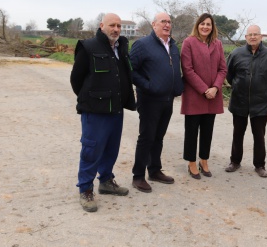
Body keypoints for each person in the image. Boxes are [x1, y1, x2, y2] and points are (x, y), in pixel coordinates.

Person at [70, 13, 136, 212]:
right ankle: (85, 189)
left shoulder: (121, 46)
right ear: (101, 26)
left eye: (118, 25)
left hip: (115, 109)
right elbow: (76, 80)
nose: (116, 29)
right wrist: (91, 98)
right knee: (91, 150)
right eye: (112, 25)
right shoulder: (88, 47)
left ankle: (106, 181)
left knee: (111, 148)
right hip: (95, 110)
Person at [129, 12, 183, 193]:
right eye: (163, 22)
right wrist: (148, 85)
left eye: (169, 22)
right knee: (146, 137)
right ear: (154, 24)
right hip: (149, 99)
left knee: (158, 137)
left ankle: (154, 170)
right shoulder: (142, 45)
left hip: (168, 100)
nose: (167, 25)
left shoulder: (173, 45)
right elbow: (131, 70)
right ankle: (138, 176)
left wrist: (177, 87)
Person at [225, 25, 267, 178]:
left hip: (260, 103)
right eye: (250, 34)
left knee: (259, 136)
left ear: (261, 36)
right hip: (239, 101)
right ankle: (235, 161)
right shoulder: (236, 54)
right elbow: (229, 74)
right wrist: (238, 86)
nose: (253, 37)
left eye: (256, 34)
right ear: (245, 37)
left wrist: (265, 91)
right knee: (237, 133)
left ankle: (259, 165)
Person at [180, 13, 227, 179]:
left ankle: (204, 160)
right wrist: (204, 89)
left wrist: (215, 88)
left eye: (209, 24)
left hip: (213, 96)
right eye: (202, 24)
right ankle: (191, 162)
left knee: (208, 131)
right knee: (192, 131)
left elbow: (223, 69)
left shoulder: (218, 44)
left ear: (212, 27)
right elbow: (187, 69)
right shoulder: (188, 42)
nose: (205, 27)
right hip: (194, 95)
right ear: (197, 25)